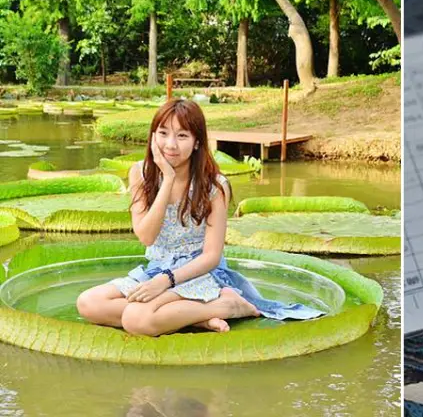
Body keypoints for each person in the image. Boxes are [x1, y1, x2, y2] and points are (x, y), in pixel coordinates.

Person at [76, 99, 324, 336]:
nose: (171, 144)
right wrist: (168, 180)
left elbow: (211, 257)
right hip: (157, 268)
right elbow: (146, 236)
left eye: (182, 135)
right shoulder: (140, 173)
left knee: (135, 319)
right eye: (163, 133)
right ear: (153, 136)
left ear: (196, 142)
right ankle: (199, 318)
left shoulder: (214, 186)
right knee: (88, 303)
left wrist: (167, 280)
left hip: (199, 272)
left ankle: (227, 305)